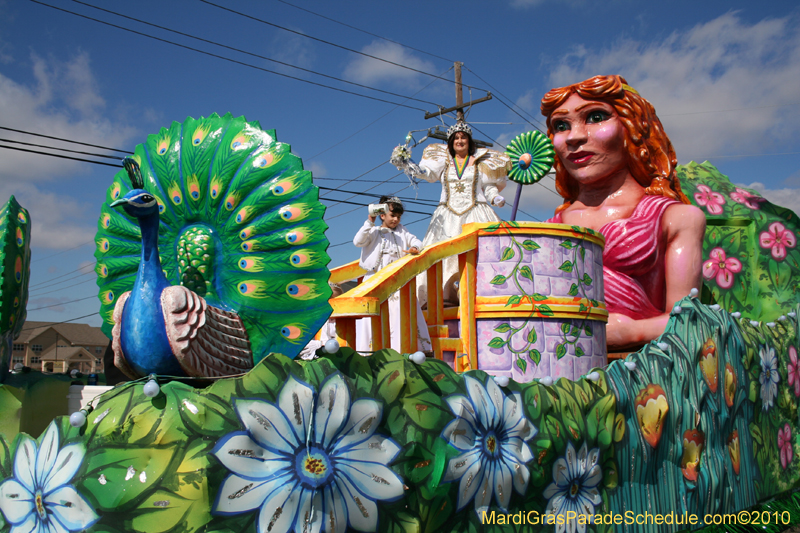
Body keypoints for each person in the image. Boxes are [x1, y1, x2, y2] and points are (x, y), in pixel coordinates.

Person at [541, 75, 706, 351]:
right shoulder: (549, 229)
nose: (575, 136)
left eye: (595, 117)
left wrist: (632, 331)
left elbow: (689, 319)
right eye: (561, 125)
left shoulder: (676, 218)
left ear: (633, 127)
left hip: (648, 378)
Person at [393, 121, 510, 304]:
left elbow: (488, 187)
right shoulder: (443, 164)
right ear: (451, 142)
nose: (460, 140)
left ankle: (481, 293)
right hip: (447, 215)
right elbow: (425, 173)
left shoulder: (480, 164)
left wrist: (495, 198)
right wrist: (407, 162)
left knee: (479, 253)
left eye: (463, 137)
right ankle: (445, 295)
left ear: (469, 141)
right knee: (443, 253)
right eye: (456, 138)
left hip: (476, 212)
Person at [353, 196, 432, 353]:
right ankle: (370, 351)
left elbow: (417, 241)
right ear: (382, 215)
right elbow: (358, 241)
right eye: (392, 215)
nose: (395, 219)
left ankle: (400, 351)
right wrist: (370, 221)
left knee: (398, 315)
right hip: (375, 282)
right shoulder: (374, 231)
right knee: (372, 316)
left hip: (397, 285)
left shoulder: (402, 232)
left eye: (398, 217)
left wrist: (415, 248)